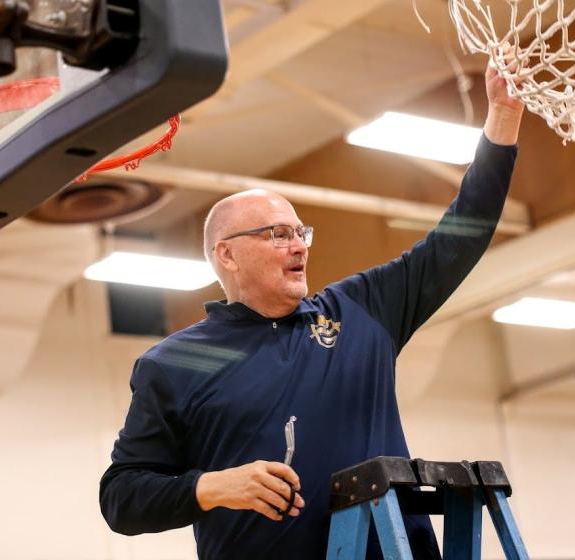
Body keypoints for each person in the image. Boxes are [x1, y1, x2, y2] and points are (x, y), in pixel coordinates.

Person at [100, 54, 524, 559]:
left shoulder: (360, 311)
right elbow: (120, 497)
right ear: (227, 254)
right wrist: (210, 487)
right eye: (277, 234)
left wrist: (502, 119)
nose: (299, 245)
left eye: (301, 233)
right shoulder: (173, 364)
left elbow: (461, 236)